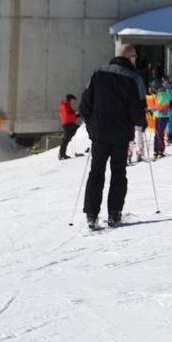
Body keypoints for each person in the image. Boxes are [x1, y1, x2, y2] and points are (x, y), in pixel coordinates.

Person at [80, 43, 147, 228]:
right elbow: (138, 109)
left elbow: (84, 104)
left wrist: (91, 126)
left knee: (96, 172)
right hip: (120, 135)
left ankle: (91, 214)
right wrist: (142, 122)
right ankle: (114, 213)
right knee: (119, 172)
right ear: (131, 58)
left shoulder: (97, 73)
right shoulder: (135, 78)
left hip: (99, 134)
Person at [58, 94, 80, 160]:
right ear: (70, 99)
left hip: (69, 124)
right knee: (65, 140)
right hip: (67, 124)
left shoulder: (66, 105)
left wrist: (76, 115)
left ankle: (62, 154)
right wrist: (75, 115)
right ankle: (61, 154)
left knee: (67, 139)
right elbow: (67, 116)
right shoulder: (64, 106)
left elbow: (71, 115)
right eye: (73, 100)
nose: (73, 102)